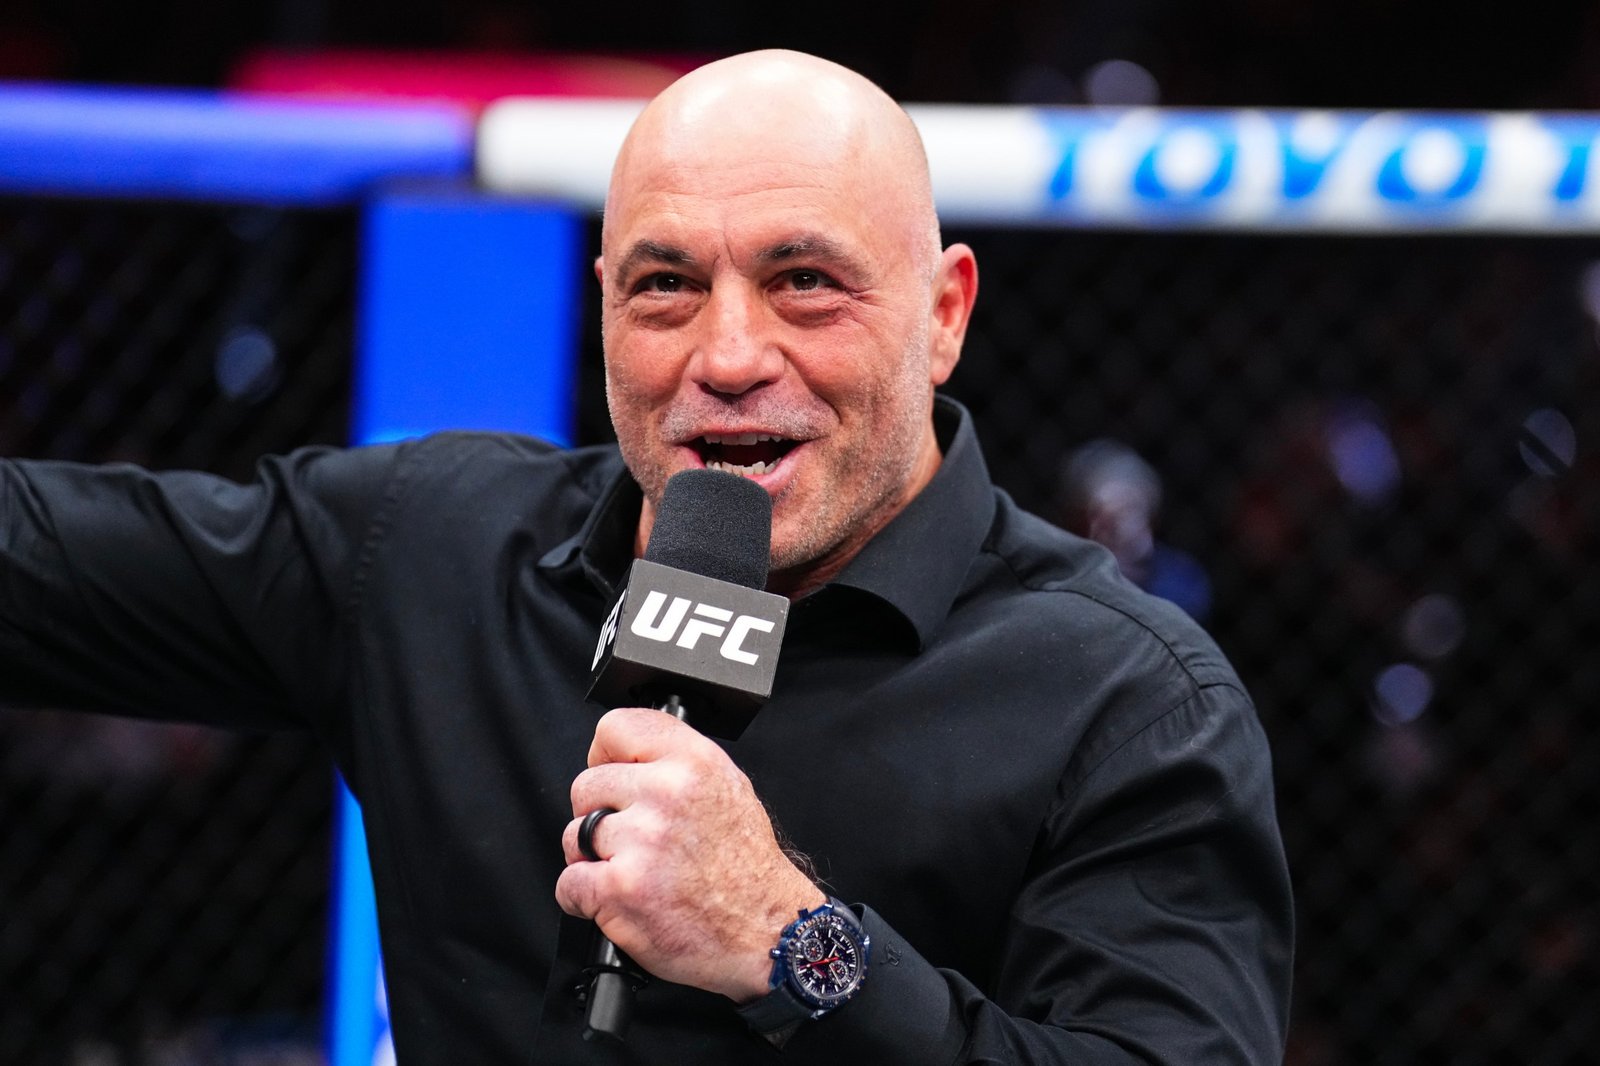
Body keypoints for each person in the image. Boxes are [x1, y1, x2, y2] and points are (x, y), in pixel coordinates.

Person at [0, 50, 1292, 1063]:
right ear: (608, 300)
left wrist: (796, 947)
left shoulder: (1126, 701)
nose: (725, 356)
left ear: (942, 313)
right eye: (666, 286)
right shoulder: (435, 551)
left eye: (804, 282)